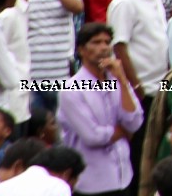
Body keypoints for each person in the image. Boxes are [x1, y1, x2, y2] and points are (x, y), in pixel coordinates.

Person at [58, 22, 143, 196]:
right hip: (93, 182)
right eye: (96, 43)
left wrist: (122, 79)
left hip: (123, 176)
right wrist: (123, 130)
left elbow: (135, 121)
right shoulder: (71, 89)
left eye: (106, 42)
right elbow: (93, 136)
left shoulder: (117, 81)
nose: (104, 48)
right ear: (81, 50)